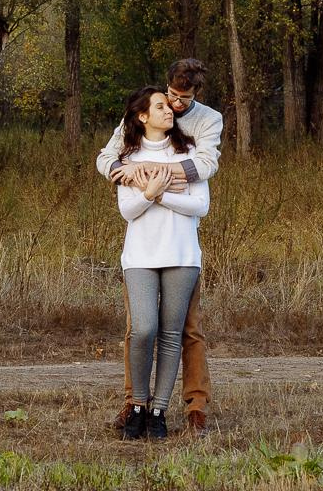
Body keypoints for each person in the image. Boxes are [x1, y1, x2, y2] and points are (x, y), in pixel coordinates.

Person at [96, 58, 222, 431]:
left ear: (196, 94)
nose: (175, 105)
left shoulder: (207, 121)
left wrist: (155, 181)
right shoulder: (145, 114)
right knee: (140, 328)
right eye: (170, 97)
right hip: (142, 250)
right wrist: (129, 173)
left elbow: (205, 167)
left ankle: (191, 406)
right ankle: (134, 402)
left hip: (181, 247)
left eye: (184, 99)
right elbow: (108, 158)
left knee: (186, 329)